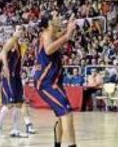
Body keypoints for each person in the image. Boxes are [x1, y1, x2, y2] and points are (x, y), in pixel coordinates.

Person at [34, 12, 77, 147]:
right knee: (67, 112)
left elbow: (61, 35)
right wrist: (68, 35)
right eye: (56, 16)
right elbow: (48, 50)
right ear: (50, 22)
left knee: (61, 115)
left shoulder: (50, 34)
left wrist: (69, 28)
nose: (59, 17)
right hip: (46, 82)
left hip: (53, 81)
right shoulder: (46, 35)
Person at [0, 25, 31, 138]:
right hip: (8, 77)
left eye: (22, 30)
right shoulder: (11, 41)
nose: (21, 32)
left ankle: (15, 129)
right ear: (15, 31)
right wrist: (5, 67)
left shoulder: (19, 45)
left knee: (18, 103)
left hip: (16, 77)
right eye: (19, 30)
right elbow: (4, 52)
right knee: (9, 103)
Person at [0, 55, 36, 135]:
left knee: (20, 103)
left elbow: (19, 65)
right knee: (2, 104)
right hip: (6, 81)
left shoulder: (20, 52)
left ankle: (18, 127)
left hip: (15, 80)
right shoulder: (6, 51)